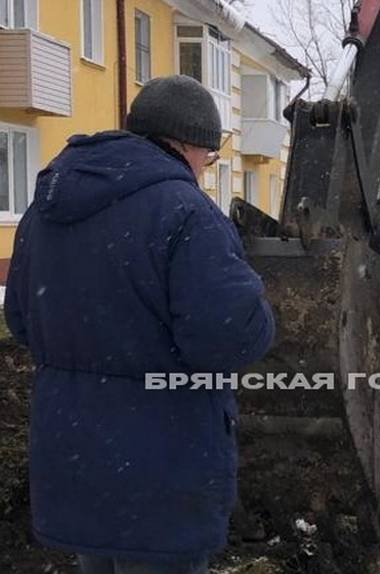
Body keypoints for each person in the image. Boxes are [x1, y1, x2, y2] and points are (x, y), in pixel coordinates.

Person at [3, 75, 275, 573]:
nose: (203, 170)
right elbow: (227, 337)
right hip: (161, 464)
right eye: (208, 158)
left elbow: (20, 320)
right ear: (188, 145)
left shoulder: (46, 209)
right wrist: (258, 303)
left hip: (77, 456)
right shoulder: (188, 214)